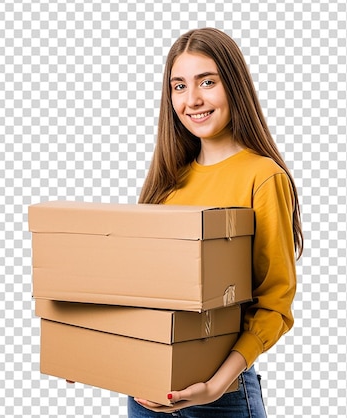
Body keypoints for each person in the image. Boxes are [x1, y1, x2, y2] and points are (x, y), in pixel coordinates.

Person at [130, 27, 303, 418]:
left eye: (207, 82)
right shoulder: (167, 183)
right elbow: (137, 294)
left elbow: (275, 304)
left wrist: (214, 386)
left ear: (234, 85)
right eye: (178, 86)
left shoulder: (262, 177)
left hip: (220, 398)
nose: (192, 100)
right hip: (146, 394)